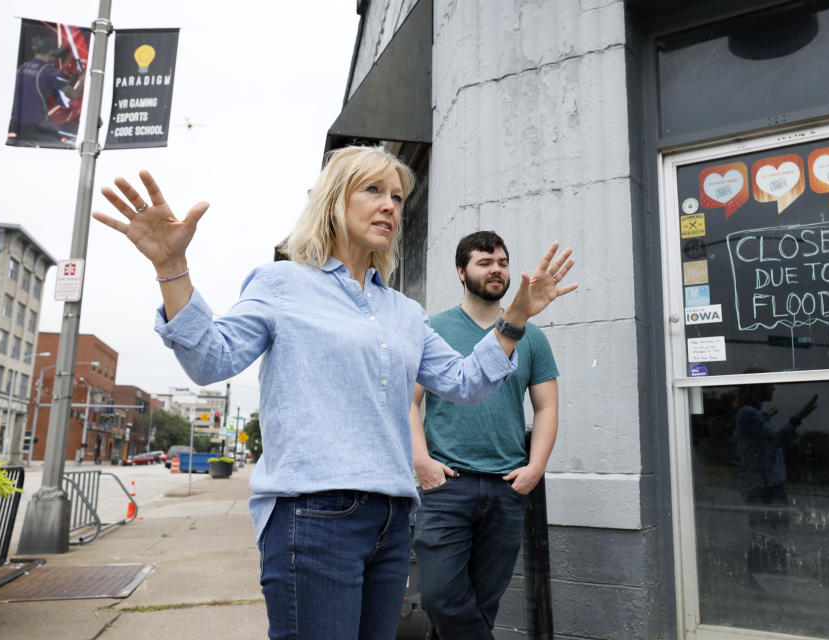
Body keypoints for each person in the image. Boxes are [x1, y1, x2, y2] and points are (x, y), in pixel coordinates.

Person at [91, 145, 577, 640]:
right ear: (332, 201)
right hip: (313, 515)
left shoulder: (405, 312)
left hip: (391, 519)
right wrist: (172, 266)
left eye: (396, 196)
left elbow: (466, 384)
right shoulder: (282, 284)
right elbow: (210, 360)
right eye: (373, 190)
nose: (390, 205)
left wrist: (514, 319)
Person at [410, 231, 560, 640]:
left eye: (503, 262)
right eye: (484, 262)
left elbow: (546, 407)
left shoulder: (532, 336)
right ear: (461, 271)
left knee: (480, 604)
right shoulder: (433, 329)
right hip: (446, 485)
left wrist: (535, 468)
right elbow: (408, 402)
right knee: (441, 598)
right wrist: (421, 460)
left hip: (506, 487)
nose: (496, 269)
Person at [734, 372, 817, 577]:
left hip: (767, 485)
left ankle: (768, 579)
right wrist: (798, 418)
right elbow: (775, 439)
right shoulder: (748, 413)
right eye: (769, 384)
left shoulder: (754, 414)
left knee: (770, 535)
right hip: (763, 487)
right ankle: (763, 582)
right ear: (756, 388)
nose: (774, 388)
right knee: (766, 536)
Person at [8, 35, 83, 146]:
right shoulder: (50, 72)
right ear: (50, 53)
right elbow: (74, 95)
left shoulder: (23, 67)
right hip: (35, 125)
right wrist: (82, 80)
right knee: (63, 146)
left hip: (16, 123)